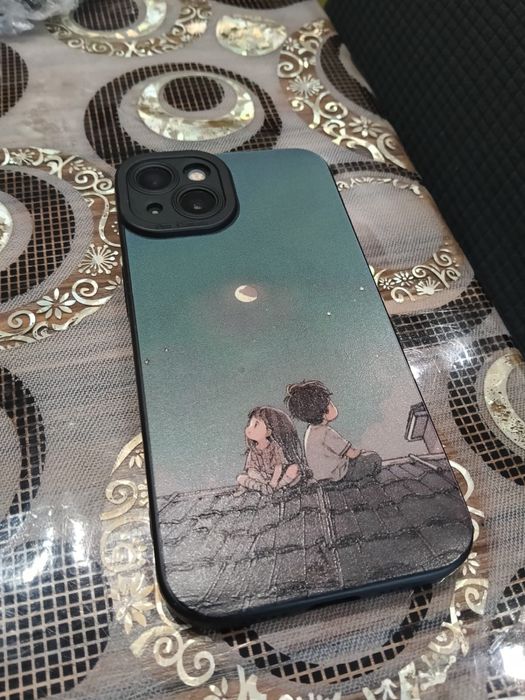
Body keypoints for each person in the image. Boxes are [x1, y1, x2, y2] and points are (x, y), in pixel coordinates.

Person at [285, 380, 381, 483]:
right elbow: (352, 453)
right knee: (373, 458)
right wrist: (360, 452)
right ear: (324, 413)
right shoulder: (326, 432)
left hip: (320, 476)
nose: (333, 405)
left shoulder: (309, 431)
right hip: (339, 475)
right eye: (330, 404)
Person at [235, 406, 305, 495]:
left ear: (268, 431)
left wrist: (273, 482)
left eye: (256, 425)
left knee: (294, 469)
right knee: (241, 478)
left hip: (277, 478)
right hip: (262, 478)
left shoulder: (275, 447)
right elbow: (251, 470)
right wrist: (262, 481)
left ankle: (277, 487)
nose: (248, 429)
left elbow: (278, 467)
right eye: (249, 424)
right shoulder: (253, 451)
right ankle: (262, 488)